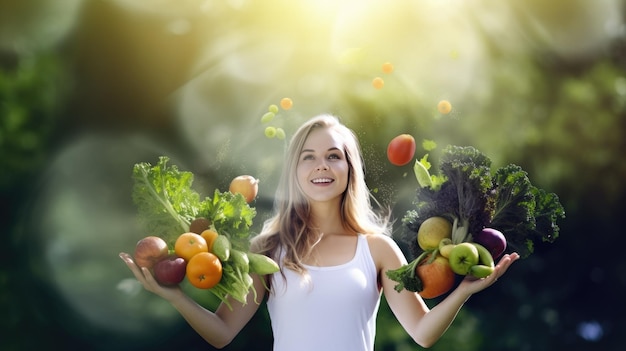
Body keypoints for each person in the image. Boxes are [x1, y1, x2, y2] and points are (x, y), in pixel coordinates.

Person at [120, 114, 519, 350]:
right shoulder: (267, 251)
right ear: (295, 172)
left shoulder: (378, 250)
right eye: (308, 157)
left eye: (333, 156)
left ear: (350, 170)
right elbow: (223, 333)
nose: (321, 166)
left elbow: (422, 332)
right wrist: (170, 294)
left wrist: (464, 291)